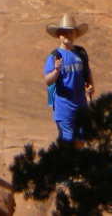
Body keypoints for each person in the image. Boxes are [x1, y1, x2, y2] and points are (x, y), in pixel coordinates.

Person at [44, 13, 94, 148]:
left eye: (71, 32)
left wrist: (90, 88)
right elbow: (48, 81)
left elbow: (87, 73)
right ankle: (67, 168)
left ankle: (75, 167)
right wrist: (56, 71)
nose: (68, 35)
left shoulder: (81, 53)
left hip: (81, 106)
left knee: (81, 140)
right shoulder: (55, 56)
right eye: (64, 32)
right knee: (66, 143)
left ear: (76, 34)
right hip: (64, 108)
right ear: (59, 34)